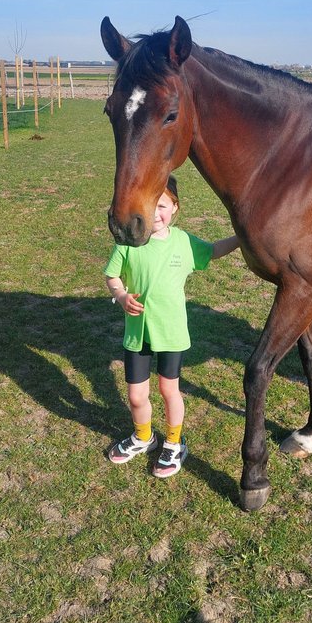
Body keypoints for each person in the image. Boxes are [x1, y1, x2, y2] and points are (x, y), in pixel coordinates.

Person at [103, 174, 240, 478]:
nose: (156, 214)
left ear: (175, 208)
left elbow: (214, 251)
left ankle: (174, 444)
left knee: (169, 390)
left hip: (172, 333)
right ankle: (143, 437)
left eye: (162, 205)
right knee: (137, 395)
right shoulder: (129, 241)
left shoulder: (184, 242)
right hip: (138, 333)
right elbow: (112, 276)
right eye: (150, 206)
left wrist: (242, 236)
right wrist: (121, 295)